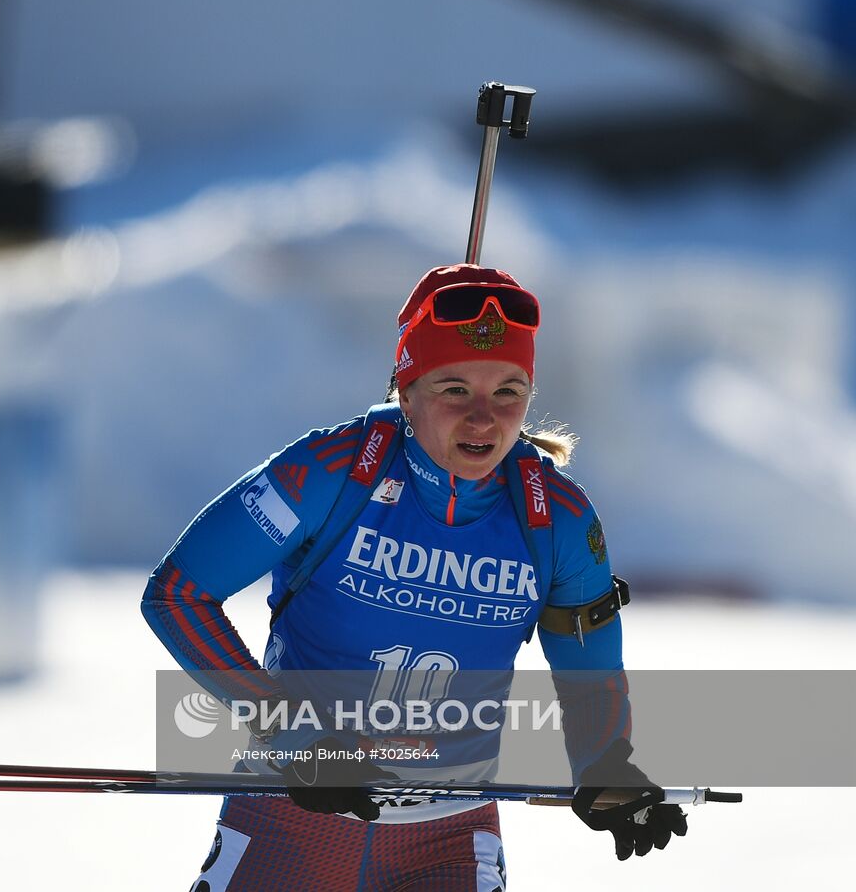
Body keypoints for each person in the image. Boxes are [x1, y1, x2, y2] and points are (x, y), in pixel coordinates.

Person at [141, 263, 686, 890]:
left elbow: (587, 669)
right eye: (454, 389)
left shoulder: (555, 517)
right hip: (291, 818)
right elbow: (179, 594)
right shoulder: (333, 472)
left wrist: (607, 765)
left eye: (507, 391)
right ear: (406, 392)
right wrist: (293, 735)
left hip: (449, 839)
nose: (483, 419)